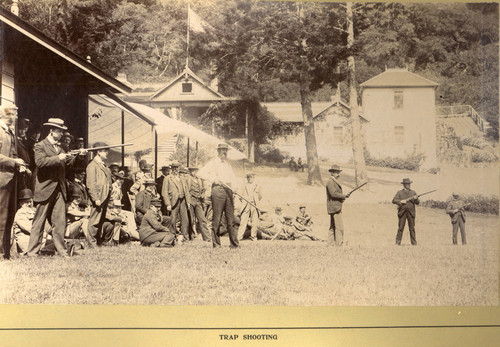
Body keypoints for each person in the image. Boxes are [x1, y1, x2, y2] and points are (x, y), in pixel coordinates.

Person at [27, 118, 84, 257]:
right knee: (39, 222)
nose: (62, 134)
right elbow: (40, 162)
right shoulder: (40, 146)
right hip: (45, 189)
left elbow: (69, 165)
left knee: (59, 222)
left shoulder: (62, 147)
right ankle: (32, 252)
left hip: (60, 190)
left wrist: (78, 156)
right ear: (51, 131)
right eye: (59, 131)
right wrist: (59, 158)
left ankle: (62, 252)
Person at [198, 143, 239, 249]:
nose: (224, 152)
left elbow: (233, 178)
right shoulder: (213, 163)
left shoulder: (228, 165)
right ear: (218, 151)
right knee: (217, 218)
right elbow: (200, 173)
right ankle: (216, 244)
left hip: (228, 191)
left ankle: (234, 244)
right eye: (222, 150)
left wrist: (234, 188)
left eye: (226, 150)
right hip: (218, 191)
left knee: (231, 220)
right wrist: (214, 179)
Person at [0, 103, 27, 259]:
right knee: (1, 218)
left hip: (11, 181)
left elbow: (14, 154)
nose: (16, 117)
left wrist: (20, 166)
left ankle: (6, 254)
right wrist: (14, 162)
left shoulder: (10, 133)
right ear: (5, 115)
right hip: (2, 182)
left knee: (9, 217)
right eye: (14, 114)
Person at [86, 142, 113, 247]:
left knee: (100, 221)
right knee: (94, 221)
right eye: (104, 151)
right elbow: (90, 184)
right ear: (98, 152)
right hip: (98, 197)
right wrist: (95, 198)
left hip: (104, 196)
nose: (107, 153)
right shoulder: (92, 166)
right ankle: (91, 244)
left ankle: (98, 242)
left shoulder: (103, 165)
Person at [326, 165, 350, 246]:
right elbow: (333, 194)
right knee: (339, 227)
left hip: (334, 207)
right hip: (335, 208)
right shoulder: (330, 182)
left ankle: (330, 244)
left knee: (332, 227)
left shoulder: (332, 181)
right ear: (332, 173)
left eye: (339, 172)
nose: (338, 174)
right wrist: (343, 196)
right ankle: (338, 245)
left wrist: (342, 197)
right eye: (337, 172)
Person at [392, 178, 420, 246]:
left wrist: (416, 199)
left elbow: (417, 202)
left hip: (411, 212)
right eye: (407, 184)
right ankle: (397, 242)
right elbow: (394, 200)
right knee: (401, 227)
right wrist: (400, 202)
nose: (408, 185)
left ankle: (414, 243)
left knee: (412, 228)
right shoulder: (399, 192)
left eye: (409, 184)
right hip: (402, 212)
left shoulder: (413, 192)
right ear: (404, 185)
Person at [186, 166, 211, 241]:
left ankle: (207, 237)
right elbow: (186, 190)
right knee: (190, 219)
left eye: (195, 171)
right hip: (191, 200)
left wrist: (202, 194)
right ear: (190, 171)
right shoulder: (187, 179)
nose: (194, 172)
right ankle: (190, 236)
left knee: (202, 219)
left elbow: (203, 189)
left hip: (198, 201)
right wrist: (188, 201)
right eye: (193, 171)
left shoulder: (199, 180)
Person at [237, 172, 262, 241]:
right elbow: (240, 196)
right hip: (246, 205)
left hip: (254, 205)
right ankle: (239, 237)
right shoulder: (244, 185)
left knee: (254, 222)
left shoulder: (257, 186)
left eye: (251, 177)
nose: (249, 179)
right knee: (243, 221)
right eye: (248, 177)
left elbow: (260, 196)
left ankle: (253, 236)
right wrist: (245, 201)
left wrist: (255, 201)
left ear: (254, 178)